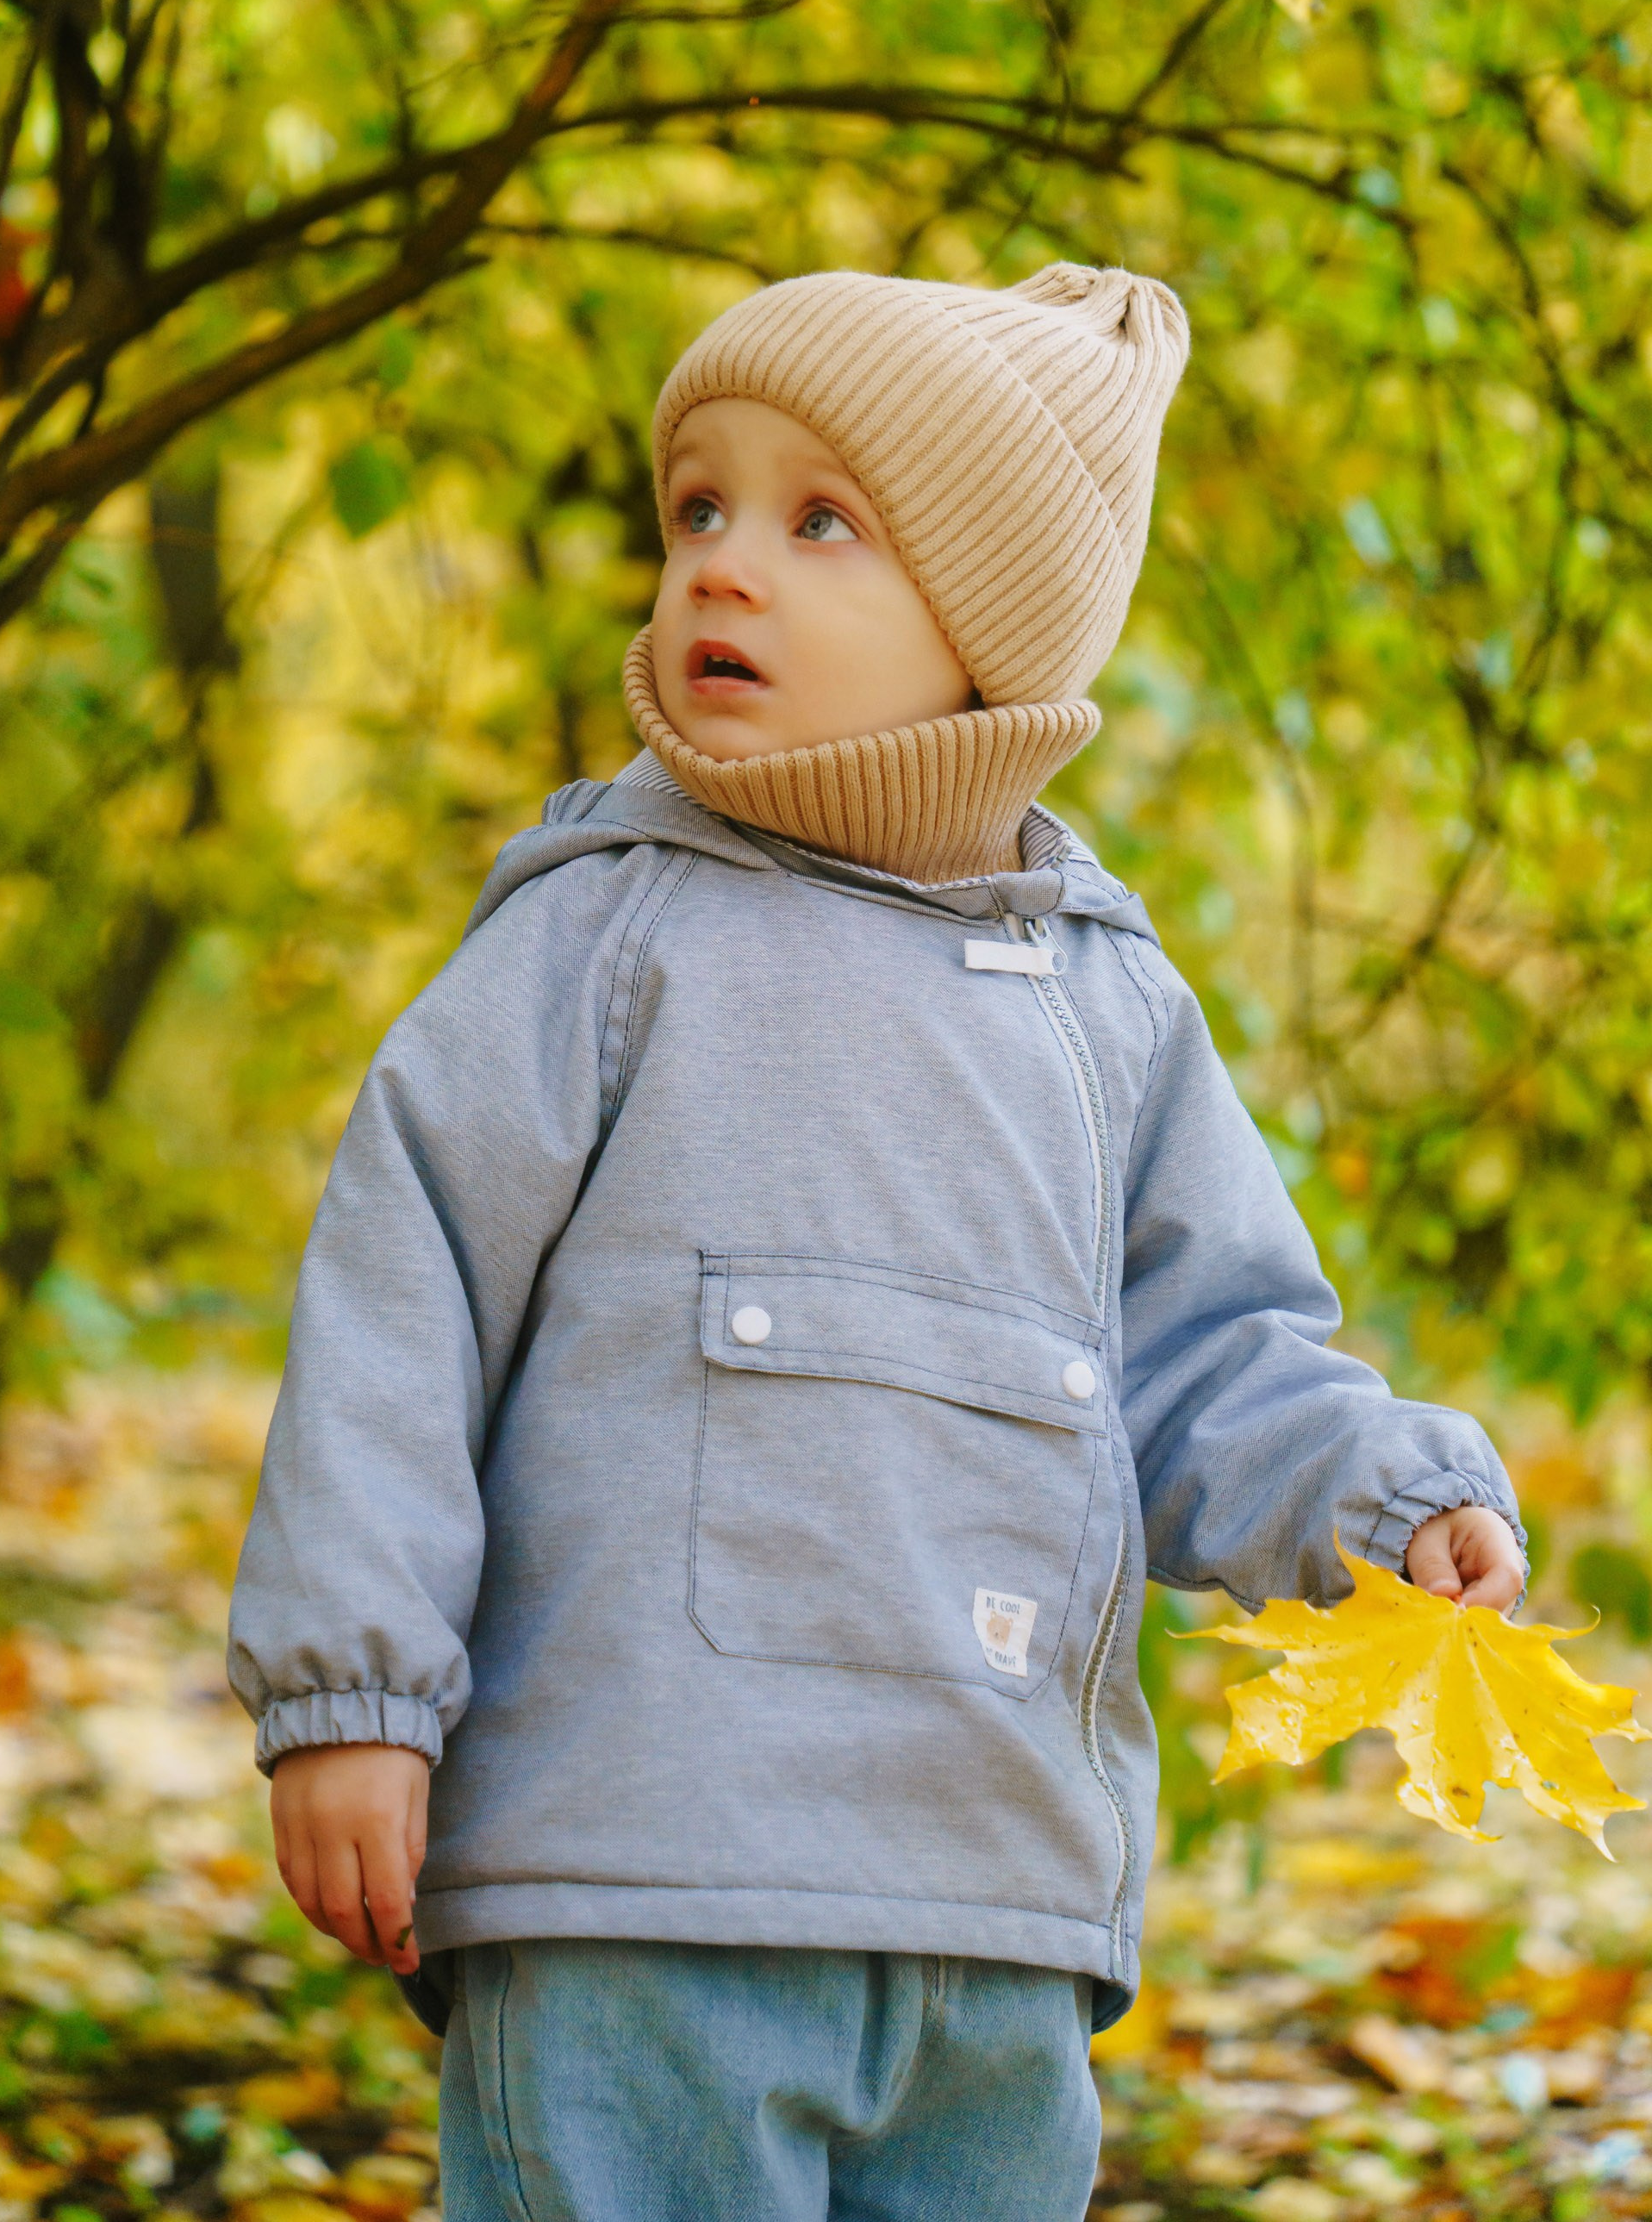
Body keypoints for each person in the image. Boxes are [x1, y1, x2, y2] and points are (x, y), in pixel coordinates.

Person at [228, 264, 1524, 2222]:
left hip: (994, 1902)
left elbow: (1209, 1356)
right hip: (640, 1884)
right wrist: (354, 1697)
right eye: (698, 509)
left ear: (990, 627)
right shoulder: (603, 933)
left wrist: (1379, 1499)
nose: (723, 566)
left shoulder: (1105, 1005)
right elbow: (404, 1308)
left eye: (820, 519)